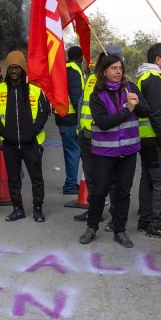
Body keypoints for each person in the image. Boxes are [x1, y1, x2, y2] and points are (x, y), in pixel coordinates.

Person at [82, 54, 149, 247]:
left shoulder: (130, 88)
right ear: (104, 71)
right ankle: (91, 227)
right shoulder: (97, 95)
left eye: (120, 67)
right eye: (113, 68)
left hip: (128, 152)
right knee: (99, 191)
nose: (118, 71)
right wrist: (128, 109)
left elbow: (146, 110)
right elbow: (103, 123)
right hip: (104, 154)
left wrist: (138, 103)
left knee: (123, 192)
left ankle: (120, 230)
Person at [0, 51, 49, 222]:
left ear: (23, 69)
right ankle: (18, 209)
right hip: (9, 144)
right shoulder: (0, 88)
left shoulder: (35, 89)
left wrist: (35, 129)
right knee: (14, 179)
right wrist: (2, 131)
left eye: (17, 68)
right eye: (11, 68)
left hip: (32, 143)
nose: (14, 71)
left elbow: (45, 111)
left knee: (36, 178)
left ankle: (38, 209)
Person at [135, 43, 161, 238]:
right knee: (160, 181)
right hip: (154, 139)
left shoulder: (144, 76)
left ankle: (145, 220)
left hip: (146, 137)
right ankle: (155, 224)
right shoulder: (153, 78)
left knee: (148, 180)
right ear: (158, 60)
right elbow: (156, 113)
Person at [73, 52, 102, 222]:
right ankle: (92, 210)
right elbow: (81, 102)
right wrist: (79, 127)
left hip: (101, 135)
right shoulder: (91, 78)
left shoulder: (117, 81)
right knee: (90, 176)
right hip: (85, 133)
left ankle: (111, 214)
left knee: (105, 178)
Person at [58, 46, 85, 195]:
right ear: (80, 57)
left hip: (62, 115)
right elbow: (76, 97)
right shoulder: (74, 70)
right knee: (74, 152)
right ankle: (70, 185)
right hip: (72, 117)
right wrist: (81, 118)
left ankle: (70, 183)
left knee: (70, 151)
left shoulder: (63, 68)